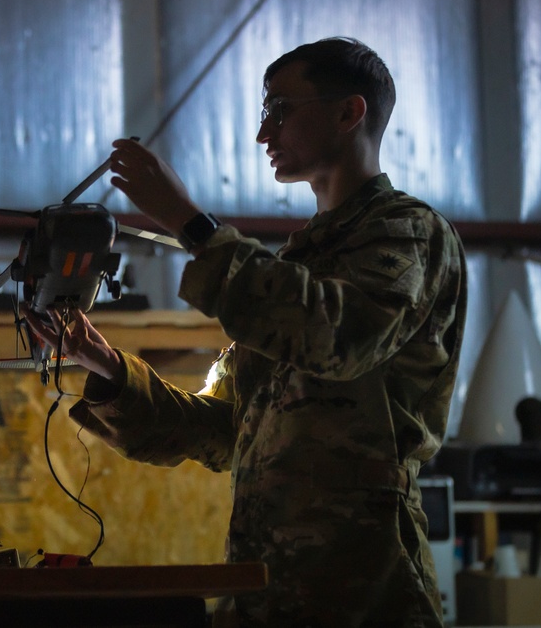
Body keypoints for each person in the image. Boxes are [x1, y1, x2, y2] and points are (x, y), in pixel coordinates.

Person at [23, 37, 467, 628]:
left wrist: (190, 224)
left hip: (362, 588)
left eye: (281, 109)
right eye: (264, 113)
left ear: (348, 112)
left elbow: (338, 340)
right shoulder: (297, 267)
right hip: (263, 587)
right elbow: (227, 431)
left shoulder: (409, 235)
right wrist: (108, 369)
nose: (264, 134)